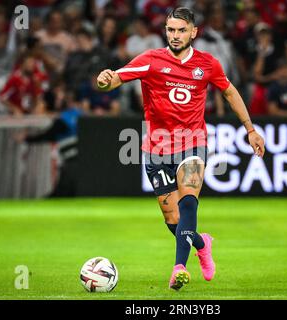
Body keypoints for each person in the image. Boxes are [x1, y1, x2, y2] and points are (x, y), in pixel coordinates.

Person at [96, 7, 265, 291]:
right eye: (171, 30)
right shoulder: (151, 60)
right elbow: (116, 78)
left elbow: (229, 91)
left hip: (193, 142)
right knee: (173, 218)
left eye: (181, 30)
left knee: (188, 201)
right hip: (157, 148)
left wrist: (250, 129)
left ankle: (179, 268)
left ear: (193, 32)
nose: (175, 36)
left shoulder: (208, 64)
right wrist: (104, 81)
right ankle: (202, 243)